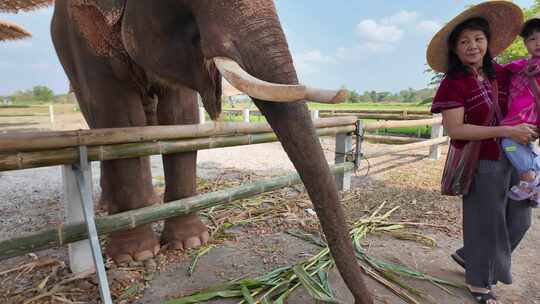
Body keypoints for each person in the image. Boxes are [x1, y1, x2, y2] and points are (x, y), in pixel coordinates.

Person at [427, 2, 536, 303]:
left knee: (520, 220)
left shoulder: (504, 74)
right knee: (485, 222)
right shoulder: (453, 83)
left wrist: (527, 129)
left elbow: (527, 100)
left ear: (488, 42)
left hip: (516, 156)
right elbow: (457, 130)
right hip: (482, 160)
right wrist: (506, 131)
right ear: (455, 50)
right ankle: (479, 283)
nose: (472, 46)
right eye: (463, 42)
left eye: (477, 38)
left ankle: (469, 256)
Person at [500, 14, 540, 208]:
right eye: (532, 39)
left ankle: (530, 178)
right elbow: (500, 70)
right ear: (525, 44)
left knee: (508, 143)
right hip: (517, 119)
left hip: (529, 121)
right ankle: (536, 187)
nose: (538, 42)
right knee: (527, 149)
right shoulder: (522, 65)